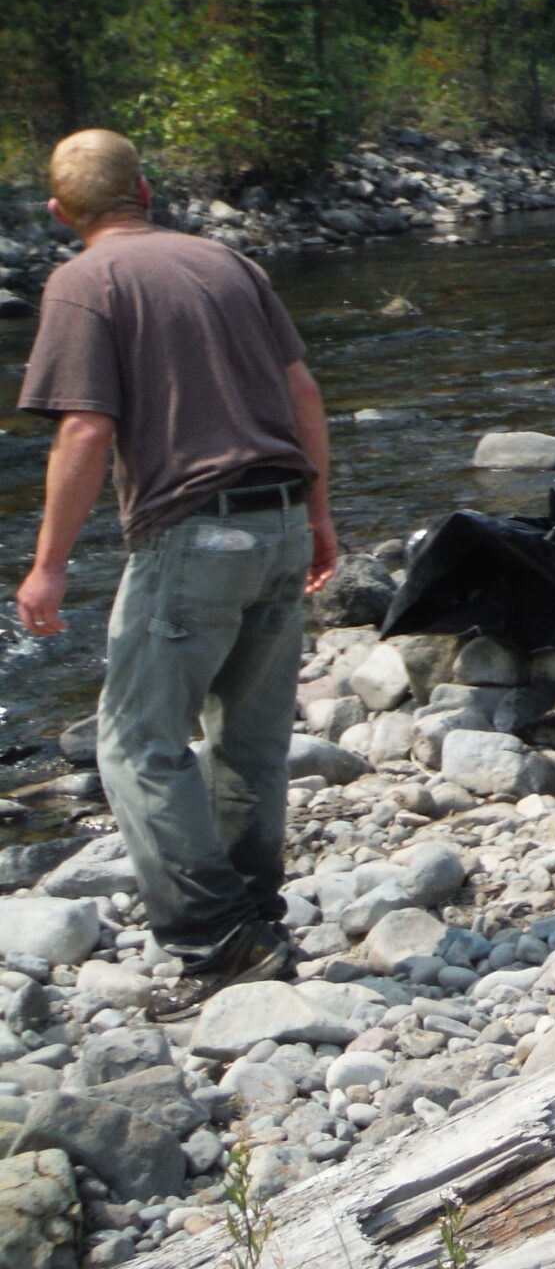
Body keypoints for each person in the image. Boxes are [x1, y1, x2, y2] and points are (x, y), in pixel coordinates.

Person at [13, 129, 337, 1015]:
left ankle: (218, 941)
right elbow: (303, 392)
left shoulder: (83, 282)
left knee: (135, 744)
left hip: (192, 535)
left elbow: (84, 429)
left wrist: (47, 567)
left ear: (59, 213)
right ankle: (254, 917)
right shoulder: (228, 263)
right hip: (274, 518)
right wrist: (316, 516)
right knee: (251, 736)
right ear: (145, 191)